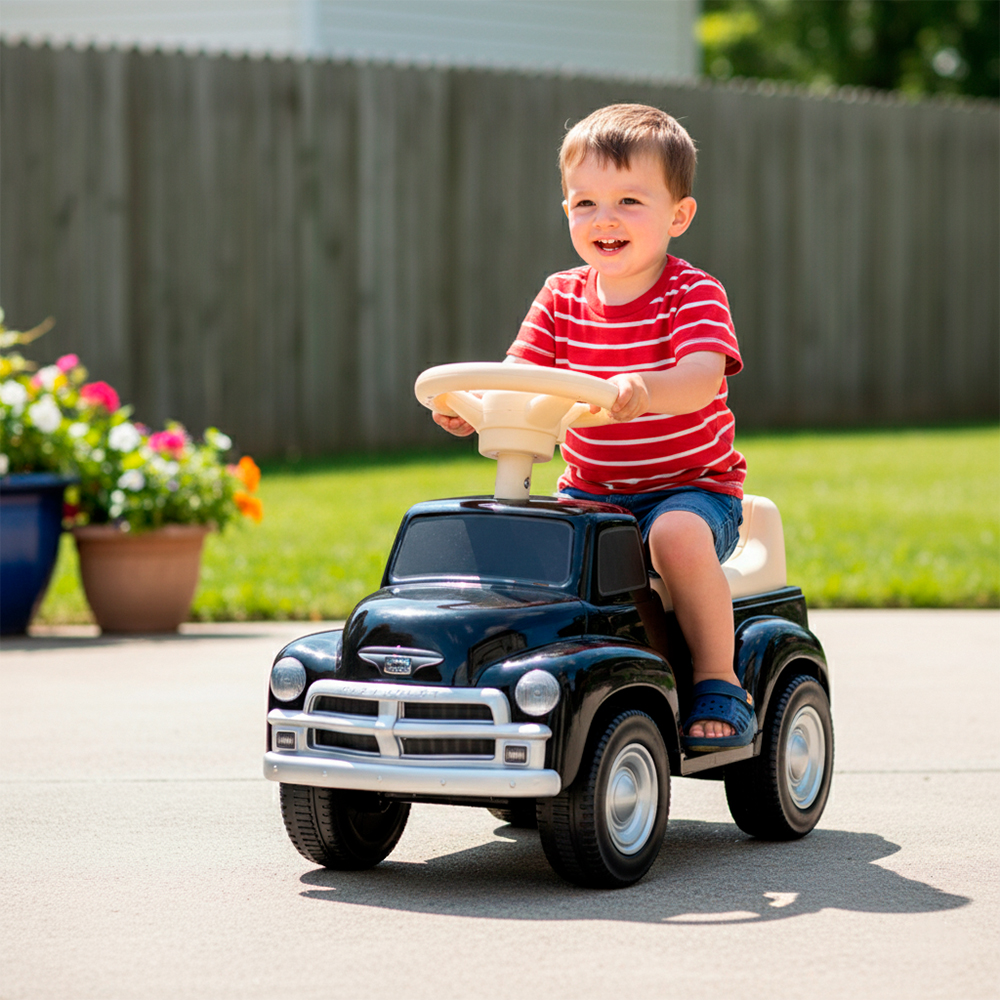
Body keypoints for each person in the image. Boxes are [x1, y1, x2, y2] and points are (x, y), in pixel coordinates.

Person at [433, 103, 753, 752]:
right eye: (585, 204)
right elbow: (516, 376)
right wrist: (472, 405)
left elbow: (700, 376)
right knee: (524, 551)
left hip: (689, 489)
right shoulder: (560, 297)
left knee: (676, 536)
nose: (604, 219)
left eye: (629, 200)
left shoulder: (691, 294)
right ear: (567, 212)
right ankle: (528, 689)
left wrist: (645, 389)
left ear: (678, 216)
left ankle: (719, 679)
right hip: (593, 494)